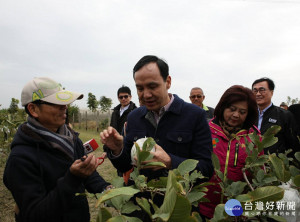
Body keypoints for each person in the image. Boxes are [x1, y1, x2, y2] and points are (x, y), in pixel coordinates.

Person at [100, 55, 213, 200]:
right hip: (142, 205)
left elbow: (206, 169)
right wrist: (117, 150)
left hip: (177, 206)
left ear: (168, 82)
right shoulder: (134, 117)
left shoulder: (194, 115)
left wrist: (170, 162)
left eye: (152, 86)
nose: (146, 95)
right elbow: (125, 166)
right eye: (140, 88)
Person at [3, 77, 111, 222]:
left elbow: (87, 173)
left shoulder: (70, 138)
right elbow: (35, 214)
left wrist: (106, 189)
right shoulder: (20, 158)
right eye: (56, 103)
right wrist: (72, 179)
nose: (65, 107)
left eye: (65, 102)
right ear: (33, 109)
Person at [199, 85, 260, 219]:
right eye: (232, 109)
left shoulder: (254, 137)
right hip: (204, 208)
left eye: (242, 112)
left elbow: (259, 172)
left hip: (237, 211)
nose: (236, 115)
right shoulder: (205, 131)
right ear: (222, 107)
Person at [251, 77, 300, 155]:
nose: (258, 94)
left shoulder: (284, 115)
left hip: (273, 164)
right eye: (255, 90)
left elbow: (293, 144)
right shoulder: (248, 115)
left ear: (271, 92)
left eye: (262, 90)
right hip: (251, 164)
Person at [102, 85, 137, 175]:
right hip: (116, 148)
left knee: (130, 173)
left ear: (130, 97)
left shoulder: (135, 112)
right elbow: (111, 130)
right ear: (118, 98)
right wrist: (107, 150)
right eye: (121, 97)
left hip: (129, 148)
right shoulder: (115, 112)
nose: (123, 99)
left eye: (126, 96)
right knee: (120, 171)